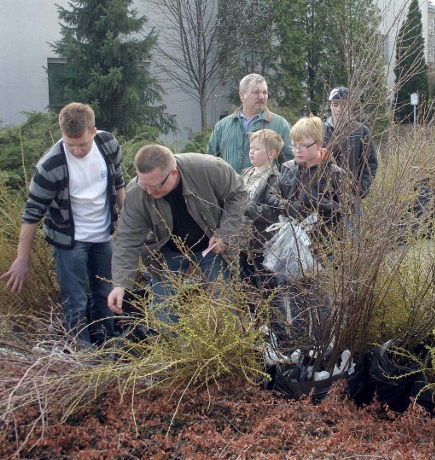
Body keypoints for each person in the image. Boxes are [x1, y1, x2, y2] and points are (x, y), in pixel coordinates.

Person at [1, 103, 125, 345]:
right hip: (70, 242)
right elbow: (31, 215)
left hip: (103, 236)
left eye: (82, 144)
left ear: (94, 132)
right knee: (76, 300)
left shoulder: (108, 145)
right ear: (62, 135)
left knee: (105, 293)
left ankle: (107, 344)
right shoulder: (50, 166)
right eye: (70, 144)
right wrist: (21, 259)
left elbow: (119, 184)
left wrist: (127, 225)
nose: (77, 151)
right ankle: (79, 352)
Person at [107, 145, 247, 321]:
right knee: (162, 311)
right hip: (168, 250)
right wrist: (121, 284)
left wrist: (225, 234)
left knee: (224, 304)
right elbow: (127, 240)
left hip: (211, 245)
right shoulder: (136, 192)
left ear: (173, 173)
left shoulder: (209, 169)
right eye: (144, 185)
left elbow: (239, 194)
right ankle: (168, 345)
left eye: (155, 186)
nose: (149, 192)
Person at [266, 116, 344, 246]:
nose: (297, 150)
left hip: (322, 244)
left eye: (303, 145)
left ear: (318, 144)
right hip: (289, 240)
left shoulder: (334, 173)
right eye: (294, 145)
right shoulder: (287, 168)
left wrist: (318, 202)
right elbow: (271, 195)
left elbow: (347, 210)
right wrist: (287, 206)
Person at [207, 73, 293, 173]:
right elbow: (210, 163)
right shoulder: (222, 126)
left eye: (265, 92)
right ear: (242, 95)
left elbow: (290, 166)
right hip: (228, 188)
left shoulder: (281, 125)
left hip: (266, 188)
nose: (261, 96)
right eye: (256, 92)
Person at [241, 129, 284, 290]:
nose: (251, 152)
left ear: (271, 154)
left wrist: (248, 208)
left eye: (256, 149)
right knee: (245, 290)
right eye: (251, 148)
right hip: (241, 244)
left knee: (267, 290)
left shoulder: (275, 178)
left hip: (262, 245)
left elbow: (274, 211)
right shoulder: (245, 173)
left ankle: (270, 316)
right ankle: (250, 315)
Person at [323, 87, 378, 198]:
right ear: (330, 105)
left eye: (344, 105)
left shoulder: (361, 131)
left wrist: (360, 190)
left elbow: (370, 163)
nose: (339, 109)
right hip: (322, 195)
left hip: (350, 195)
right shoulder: (320, 129)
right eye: (335, 104)